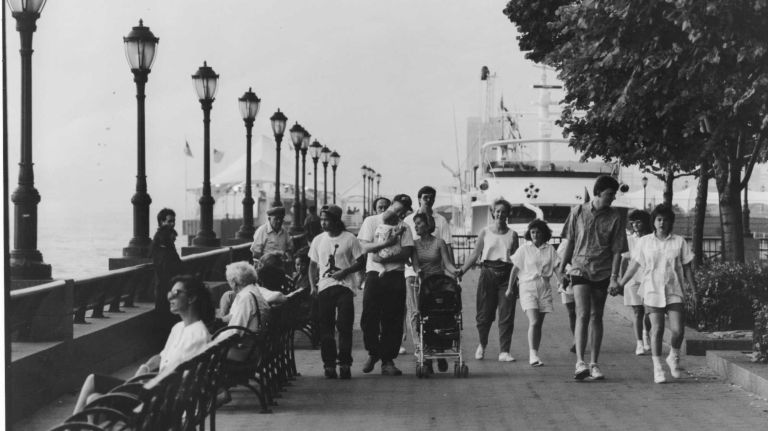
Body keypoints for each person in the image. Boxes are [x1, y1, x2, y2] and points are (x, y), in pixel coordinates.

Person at [73, 275, 215, 414]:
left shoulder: (198, 336)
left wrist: (142, 384)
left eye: (176, 293)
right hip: (153, 390)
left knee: (94, 391)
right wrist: (145, 367)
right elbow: (161, 357)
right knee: (93, 391)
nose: (170, 298)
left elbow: (181, 380)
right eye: (170, 293)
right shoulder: (178, 327)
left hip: (158, 399)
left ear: (191, 298)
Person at [617, 204, 696, 383]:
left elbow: (687, 267)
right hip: (652, 289)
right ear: (653, 222)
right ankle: (657, 367)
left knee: (677, 330)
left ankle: (673, 356)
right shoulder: (644, 242)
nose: (662, 223)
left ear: (671, 223)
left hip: (674, 289)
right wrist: (621, 283)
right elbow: (634, 265)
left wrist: (693, 289)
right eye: (659, 219)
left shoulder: (679, 241)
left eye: (666, 220)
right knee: (657, 329)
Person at [559, 175, 628, 380]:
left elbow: (617, 251)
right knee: (582, 314)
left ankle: (594, 363)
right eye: (609, 194)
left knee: (597, 315)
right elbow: (570, 242)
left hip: (603, 271)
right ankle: (580, 362)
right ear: (598, 193)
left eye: (613, 195)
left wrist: (615, 277)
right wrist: (563, 268)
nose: (612, 199)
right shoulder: (577, 212)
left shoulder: (615, 217)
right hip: (579, 269)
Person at [357, 194, 415, 376]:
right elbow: (364, 247)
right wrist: (386, 245)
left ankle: (388, 359)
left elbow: (406, 252)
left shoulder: (404, 227)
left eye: (402, 212)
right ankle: (373, 352)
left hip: (395, 274)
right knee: (369, 316)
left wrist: (385, 256)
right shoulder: (371, 221)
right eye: (396, 209)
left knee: (393, 318)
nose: (398, 214)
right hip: (374, 273)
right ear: (391, 205)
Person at [458, 199, 520, 362]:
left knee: (507, 314)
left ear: (508, 214)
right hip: (488, 274)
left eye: (504, 211)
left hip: (507, 275)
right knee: (484, 314)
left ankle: (504, 351)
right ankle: (482, 343)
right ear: (493, 212)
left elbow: (516, 261)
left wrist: (517, 283)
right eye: (497, 211)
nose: (500, 214)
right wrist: (461, 271)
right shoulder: (485, 232)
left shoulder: (513, 234)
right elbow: (474, 254)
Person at [308, 205, 365, 379]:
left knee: (344, 326)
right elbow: (312, 266)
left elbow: (361, 261)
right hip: (325, 287)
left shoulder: (350, 239)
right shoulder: (318, 240)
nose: (324, 223)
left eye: (327, 220)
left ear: (336, 221)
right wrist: (312, 286)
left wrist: (345, 272)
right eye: (322, 220)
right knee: (326, 327)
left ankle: (345, 363)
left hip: (345, 288)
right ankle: (329, 364)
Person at [402, 186, 454, 355]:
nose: (428, 200)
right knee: (415, 311)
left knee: (435, 312)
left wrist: (455, 272)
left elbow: (448, 258)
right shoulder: (408, 221)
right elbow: (411, 258)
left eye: (431, 197)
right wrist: (417, 271)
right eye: (425, 197)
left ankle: (434, 344)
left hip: (435, 279)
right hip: (415, 278)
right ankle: (419, 345)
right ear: (419, 199)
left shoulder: (440, 226)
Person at [409, 212, 459, 373]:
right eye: (415, 223)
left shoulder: (439, 242)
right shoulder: (414, 244)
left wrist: (456, 271)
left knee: (440, 317)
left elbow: (447, 264)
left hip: (438, 284)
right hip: (423, 285)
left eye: (418, 223)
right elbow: (415, 265)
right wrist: (417, 272)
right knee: (423, 319)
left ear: (427, 224)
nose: (415, 226)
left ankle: (440, 354)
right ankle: (428, 354)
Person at [507, 219, 557, 367]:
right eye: (532, 232)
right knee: (534, 321)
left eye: (538, 232)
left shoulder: (550, 249)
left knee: (538, 324)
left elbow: (556, 268)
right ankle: (532, 355)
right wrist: (510, 288)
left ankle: (535, 351)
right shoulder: (524, 249)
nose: (535, 235)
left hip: (544, 287)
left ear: (543, 234)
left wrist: (561, 282)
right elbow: (515, 270)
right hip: (527, 286)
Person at [622, 209, 653, 355]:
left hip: (649, 278)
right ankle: (639, 342)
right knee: (637, 310)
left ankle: (646, 333)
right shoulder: (628, 240)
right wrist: (620, 280)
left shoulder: (652, 239)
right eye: (632, 222)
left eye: (638, 221)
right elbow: (623, 260)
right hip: (633, 278)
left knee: (648, 311)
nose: (635, 224)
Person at [150, 208, 184, 316]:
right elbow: (167, 261)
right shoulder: (163, 238)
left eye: (173, 221)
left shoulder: (164, 238)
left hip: (166, 283)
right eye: (169, 221)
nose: (172, 224)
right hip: (165, 284)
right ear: (162, 222)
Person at [222, 262, 273, 331]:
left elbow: (235, 331)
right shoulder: (254, 291)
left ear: (234, 283)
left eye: (229, 281)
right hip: (258, 334)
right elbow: (238, 316)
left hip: (247, 339)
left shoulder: (246, 297)